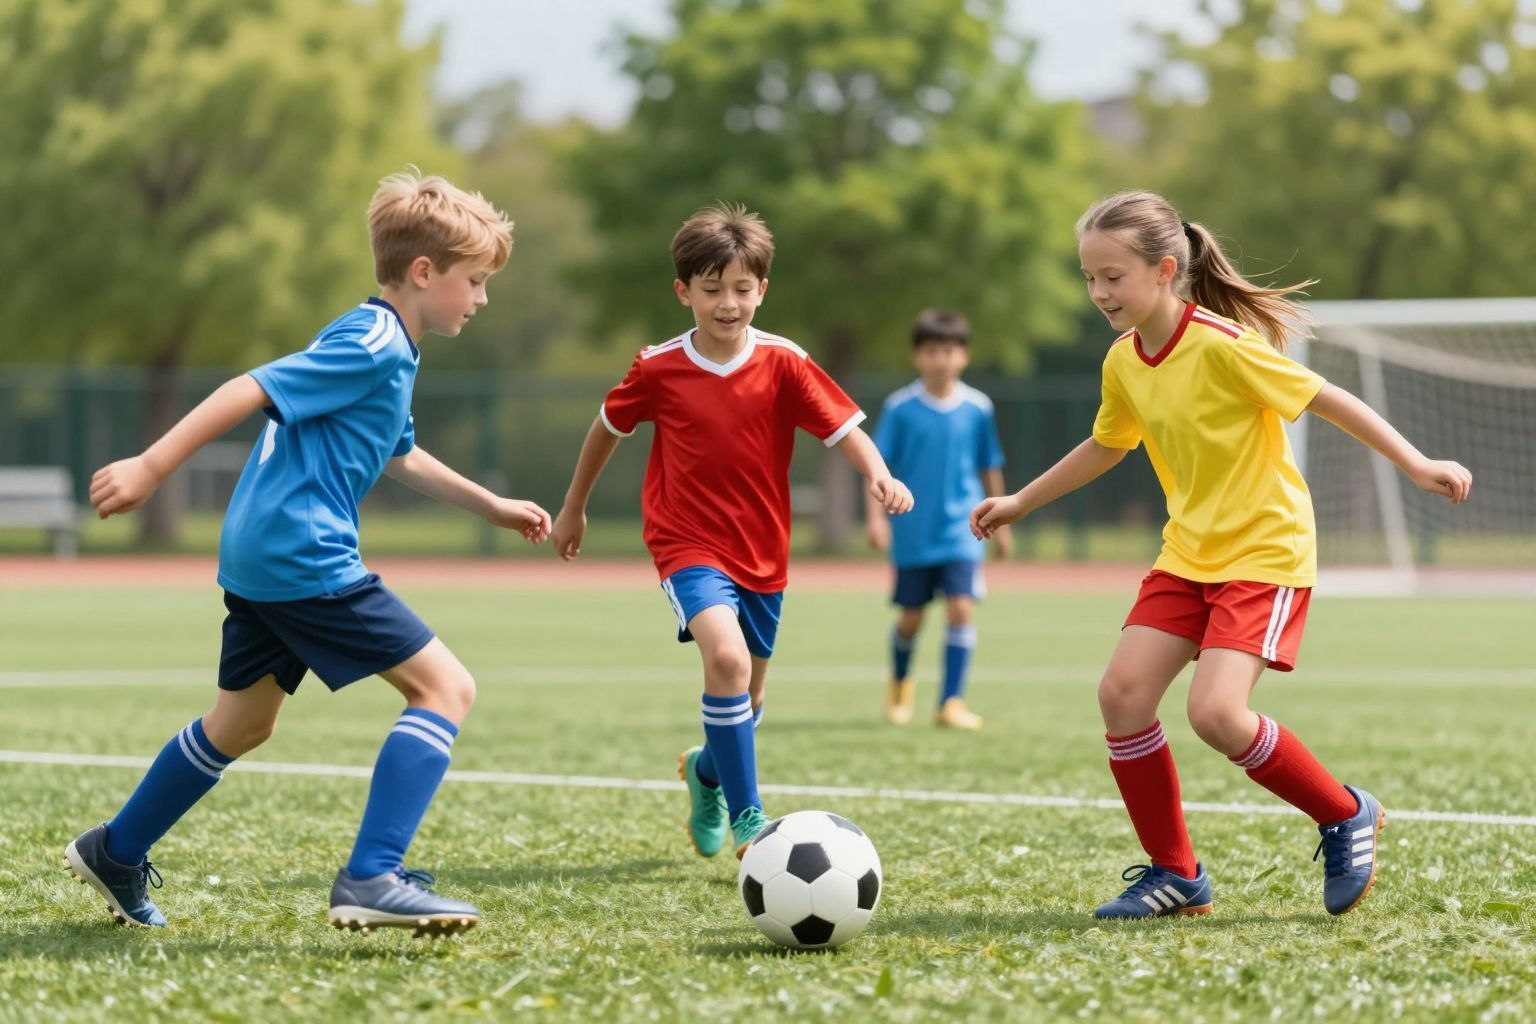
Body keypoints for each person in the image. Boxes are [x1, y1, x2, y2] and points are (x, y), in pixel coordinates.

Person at [64, 171, 551, 936]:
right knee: (446, 689)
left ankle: (116, 851)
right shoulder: (374, 342)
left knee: (241, 723)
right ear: (425, 272)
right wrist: (152, 467)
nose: (482, 298)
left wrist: (491, 506)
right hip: (302, 552)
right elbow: (249, 388)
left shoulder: (383, 342)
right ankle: (373, 875)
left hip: (262, 552)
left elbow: (401, 454)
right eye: (476, 280)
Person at [971, 190, 1471, 919]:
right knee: (1122, 696)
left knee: (1215, 713)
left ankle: (1344, 813)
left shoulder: (1223, 345)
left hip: (1265, 551)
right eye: (1090, 277)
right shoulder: (1123, 360)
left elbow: (1327, 398)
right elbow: (1108, 444)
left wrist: (1417, 463)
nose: (1099, 292)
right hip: (1188, 554)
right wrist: (1021, 501)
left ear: (1164, 269)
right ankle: (1177, 875)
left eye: (1113, 276)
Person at [551, 203, 913, 860]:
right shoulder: (658, 366)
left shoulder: (785, 362)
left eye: (742, 289)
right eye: (712, 288)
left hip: (763, 550)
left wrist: (879, 474)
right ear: (683, 291)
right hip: (685, 542)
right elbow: (607, 428)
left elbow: (844, 430)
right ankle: (751, 818)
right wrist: (574, 506)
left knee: (751, 695)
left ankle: (706, 772)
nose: (727, 303)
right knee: (727, 660)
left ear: (762, 291)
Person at [866, 308, 1009, 730]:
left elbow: (989, 466)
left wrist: (1002, 520)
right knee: (911, 618)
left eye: (949, 351)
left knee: (961, 608)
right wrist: (876, 519)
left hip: (963, 529)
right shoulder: (900, 408)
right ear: (917, 356)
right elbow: (878, 467)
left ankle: (951, 702)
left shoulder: (978, 407)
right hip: (913, 531)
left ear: (964, 355)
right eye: (931, 351)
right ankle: (900, 683)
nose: (941, 360)